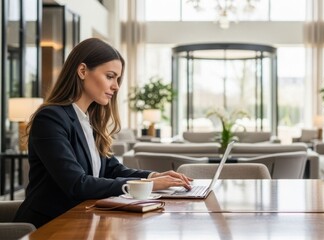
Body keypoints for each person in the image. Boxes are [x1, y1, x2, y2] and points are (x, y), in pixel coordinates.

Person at [14, 38, 192, 228]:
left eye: (117, 79)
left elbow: (111, 169)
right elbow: (77, 184)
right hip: (48, 226)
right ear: (82, 71)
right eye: (110, 76)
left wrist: (152, 177)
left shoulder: (88, 120)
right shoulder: (50, 118)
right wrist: (146, 186)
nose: (116, 86)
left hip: (82, 220)